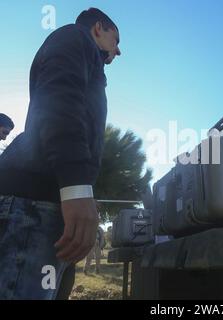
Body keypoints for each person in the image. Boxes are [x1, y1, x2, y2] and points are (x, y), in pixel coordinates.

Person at [0, 8, 121, 299]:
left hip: (46, 207)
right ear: (97, 28)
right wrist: (77, 189)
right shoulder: (73, 37)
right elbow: (58, 103)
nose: (118, 51)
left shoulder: (86, 56)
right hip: (35, 205)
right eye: (115, 40)